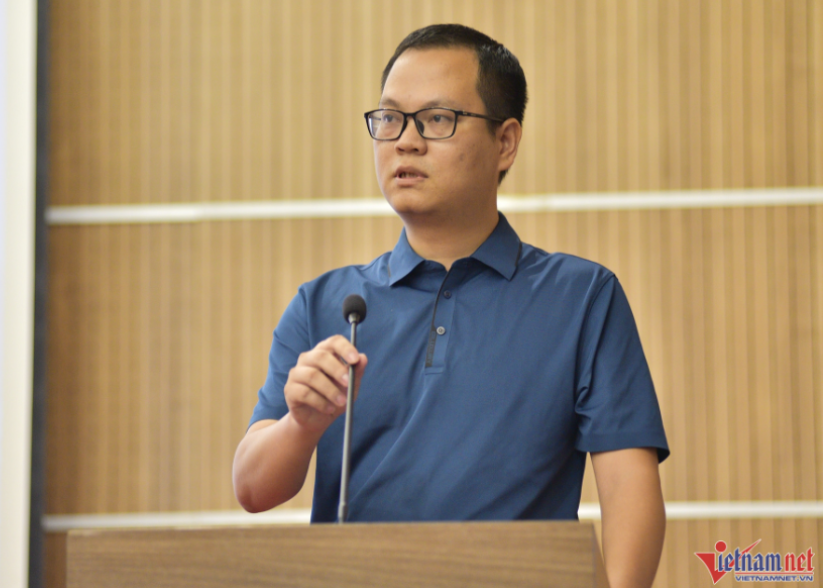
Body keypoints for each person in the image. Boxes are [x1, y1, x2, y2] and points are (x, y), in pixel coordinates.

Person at [233, 24, 668, 588]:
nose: (405, 142)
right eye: (390, 119)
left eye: (437, 119)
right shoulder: (328, 305)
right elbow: (253, 488)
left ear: (505, 142)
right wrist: (302, 423)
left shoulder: (581, 296)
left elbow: (629, 488)